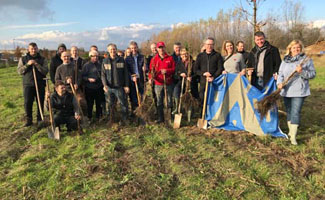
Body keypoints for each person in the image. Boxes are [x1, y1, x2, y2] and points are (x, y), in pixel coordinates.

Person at [277, 40, 316, 145]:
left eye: (298, 47)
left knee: (295, 112)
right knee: (289, 111)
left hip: (299, 91)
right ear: (290, 49)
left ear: (301, 48)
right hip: (286, 90)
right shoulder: (285, 60)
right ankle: (290, 132)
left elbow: (312, 74)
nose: (296, 49)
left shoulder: (306, 60)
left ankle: (293, 137)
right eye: (294, 47)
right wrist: (279, 83)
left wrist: (301, 72)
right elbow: (280, 73)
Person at [18, 42, 48, 126]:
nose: (34, 50)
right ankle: (29, 120)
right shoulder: (23, 59)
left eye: (35, 48)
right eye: (32, 49)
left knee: (40, 101)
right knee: (28, 102)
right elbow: (19, 71)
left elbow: (45, 71)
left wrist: (37, 64)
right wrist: (28, 64)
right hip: (28, 84)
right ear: (29, 49)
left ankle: (40, 119)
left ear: (37, 49)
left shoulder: (42, 59)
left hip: (40, 84)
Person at [101, 43, 130, 124]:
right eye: (111, 49)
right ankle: (111, 120)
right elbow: (103, 75)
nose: (112, 51)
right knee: (110, 104)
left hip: (119, 87)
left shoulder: (121, 60)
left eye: (114, 49)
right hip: (109, 87)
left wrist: (126, 85)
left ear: (116, 50)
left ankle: (124, 119)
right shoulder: (105, 61)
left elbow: (126, 74)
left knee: (123, 104)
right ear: (108, 50)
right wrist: (104, 85)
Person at [148, 41, 175, 123]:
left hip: (168, 83)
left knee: (169, 100)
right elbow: (150, 71)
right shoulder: (154, 59)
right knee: (159, 100)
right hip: (158, 84)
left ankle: (169, 117)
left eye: (162, 47)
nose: (161, 49)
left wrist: (167, 71)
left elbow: (174, 69)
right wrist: (150, 78)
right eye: (159, 48)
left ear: (164, 48)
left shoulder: (170, 58)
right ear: (157, 49)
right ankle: (161, 118)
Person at [194, 37, 224, 104]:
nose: (209, 46)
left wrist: (213, 77)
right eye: (208, 44)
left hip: (215, 82)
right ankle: (203, 114)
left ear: (213, 45)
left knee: (214, 101)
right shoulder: (200, 56)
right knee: (202, 100)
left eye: (211, 44)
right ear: (205, 45)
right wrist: (203, 73)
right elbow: (195, 69)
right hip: (203, 82)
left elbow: (220, 68)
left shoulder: (217, 55)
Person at [82, 50, 104, 121]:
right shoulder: (86, 66)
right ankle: (89, 117)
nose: (96, 57)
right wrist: (88, 79)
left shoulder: (100, 65)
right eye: (94, 56)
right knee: (90, 104)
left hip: (99, 87)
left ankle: (98, 117)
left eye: (97, 56)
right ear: (90, 57)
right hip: (89, 87)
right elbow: (82, 76)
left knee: (99, 103)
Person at [125, 41, 146, 115]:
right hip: (132, 81)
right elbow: (126, 71)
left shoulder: (142, 57)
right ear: (130, 49)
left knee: (142, 96)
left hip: (141, 80)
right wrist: (131, 76)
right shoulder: (127, 59)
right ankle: (135, 113)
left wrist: (144, 68)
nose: (133, 49)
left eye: (135, 48)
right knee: (134, 98)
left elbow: (146, 68)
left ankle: (143, 112)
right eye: (132, 48)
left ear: (137, 48)